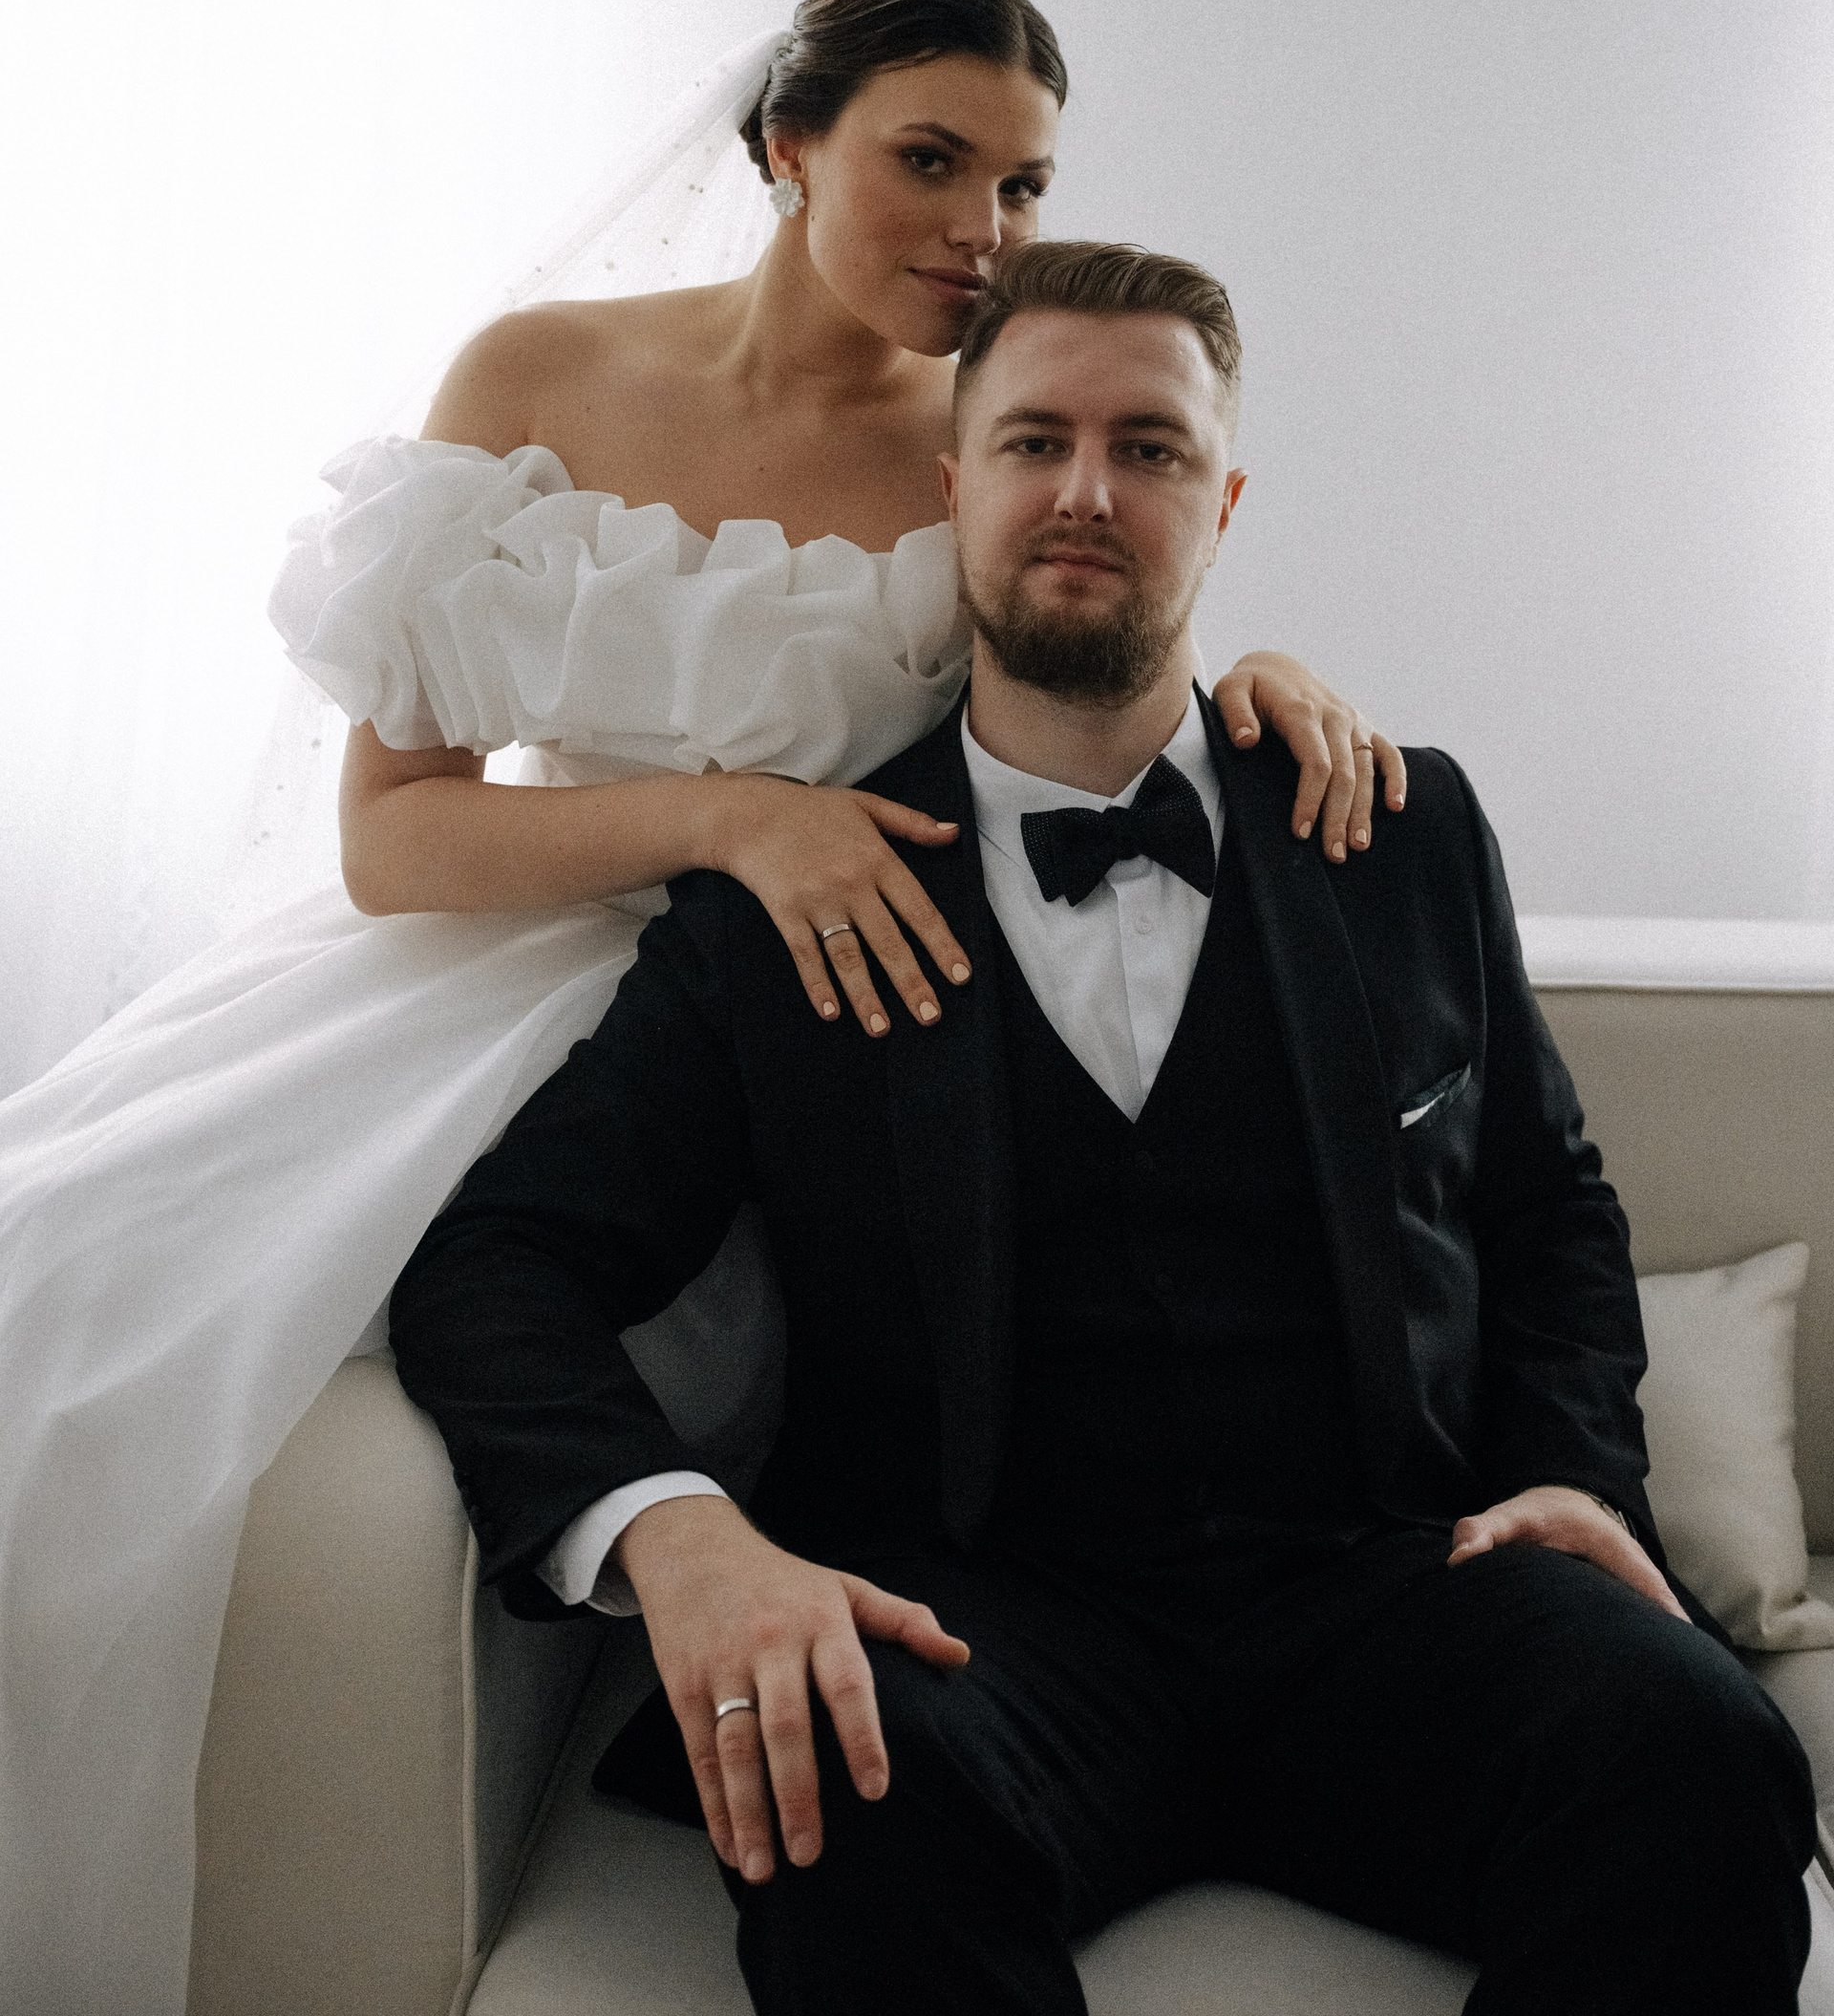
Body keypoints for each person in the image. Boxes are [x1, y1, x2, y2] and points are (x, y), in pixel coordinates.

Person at [0, 0, 1398, 2014]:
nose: (984, 225)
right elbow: (392, 839)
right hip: (478, 974)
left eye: (1022, 181)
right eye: (932, 159)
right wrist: (733, 816)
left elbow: (1111, 659)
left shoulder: (986, 429)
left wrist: (1272, 676)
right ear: (786, 143)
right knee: (69, 1327)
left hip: (798, 1034)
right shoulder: (536, 373)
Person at [393, 237, 1815, 2016]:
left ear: (1224, 504)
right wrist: (677, 1535)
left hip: (1392, 1589)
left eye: (1148, 449)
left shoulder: (1401, 833)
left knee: (1703, 1756)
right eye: (1035, 441)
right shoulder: (779, 904)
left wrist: (1572, 1474)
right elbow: (500, 1265)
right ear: (953, 489)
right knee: (839, 1790)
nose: (1086, 491)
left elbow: (1548, 1207)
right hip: (976, 1625)